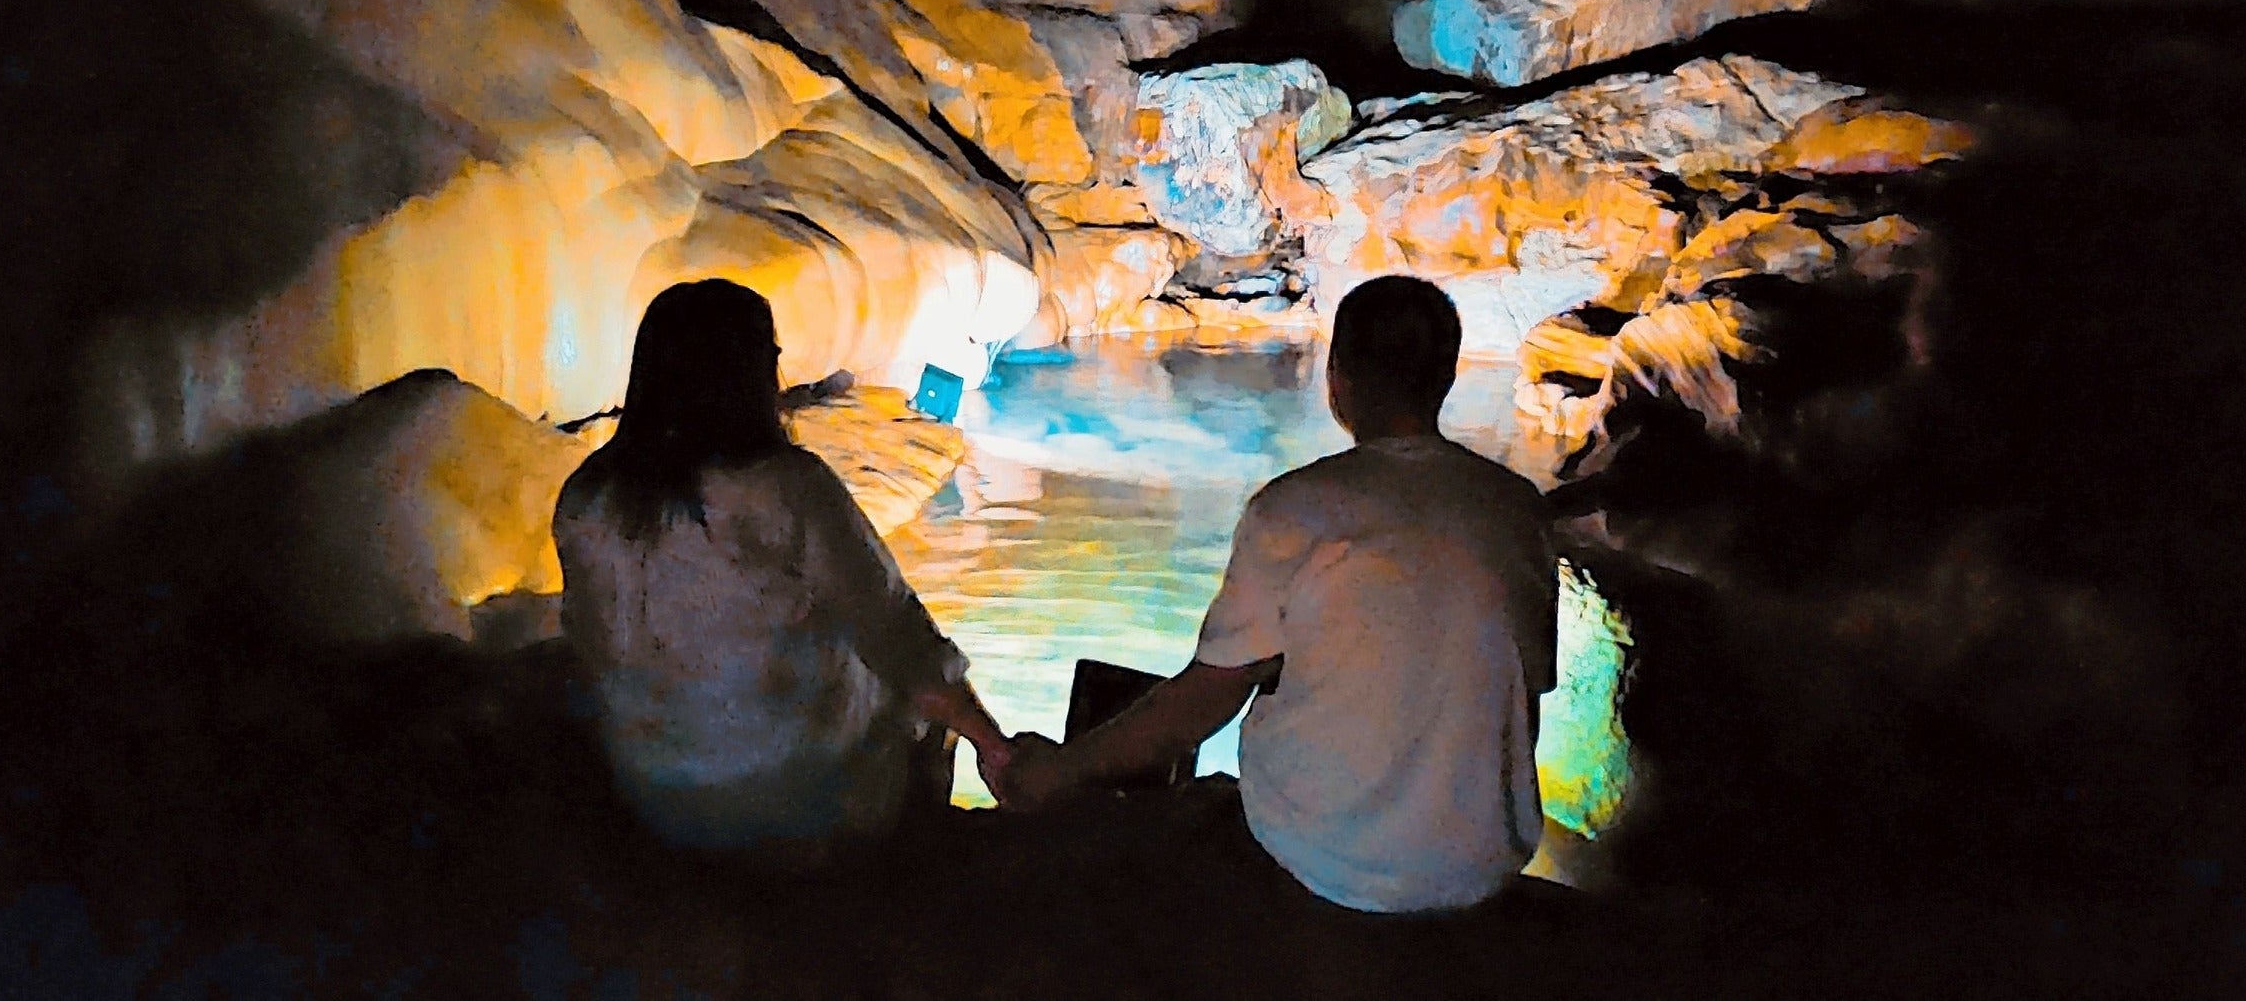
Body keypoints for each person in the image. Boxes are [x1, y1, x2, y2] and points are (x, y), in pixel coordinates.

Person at [989, 275, 1559, 914]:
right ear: (1446, 378)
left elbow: (1203, 703)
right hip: (1483, 860)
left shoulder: (1295, 509)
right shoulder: (1520, 511)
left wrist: (1060, 771)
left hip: (1324, 857)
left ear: (1336, 376)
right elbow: (1522, 682)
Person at [554, 279, 1015, 859]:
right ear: (744, 374)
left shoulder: (586, 495)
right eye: (769, 359)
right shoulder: (788, 489)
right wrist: (993, 746)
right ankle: (896, 882)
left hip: (651, 797)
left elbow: (588, 649)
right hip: (793, 809)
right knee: (922, 710)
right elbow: (898, 636)